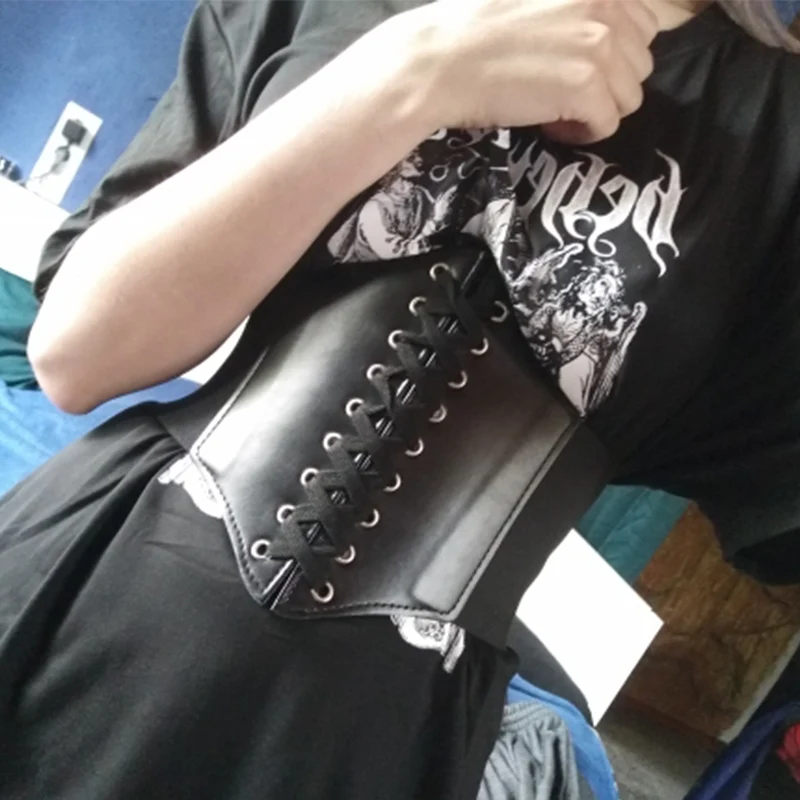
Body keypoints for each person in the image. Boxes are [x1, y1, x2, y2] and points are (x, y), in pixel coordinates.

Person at [2, 0, 800, 797]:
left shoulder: (781, 135)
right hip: (82, 585)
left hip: (371, 735)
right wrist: (415, 69)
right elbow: (76, 356)